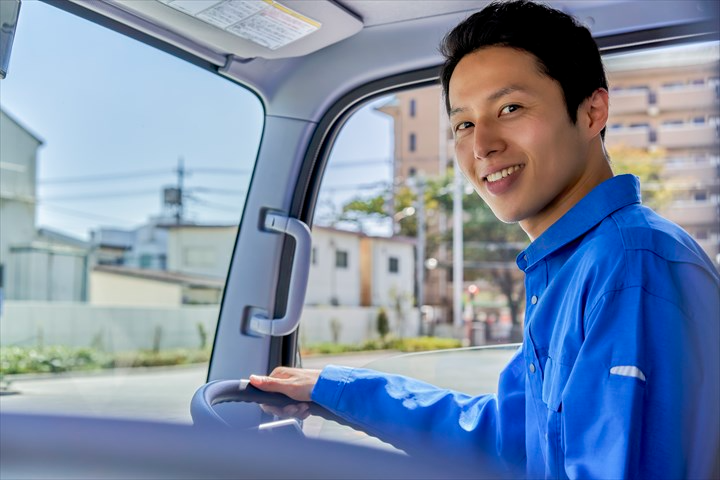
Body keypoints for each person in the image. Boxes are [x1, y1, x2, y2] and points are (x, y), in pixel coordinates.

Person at [250, 1, 720, 477]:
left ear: (592, 111)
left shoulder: (630, 266)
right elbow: (508, 441)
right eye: (464, 124)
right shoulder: (571, 265)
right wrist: (336, 387)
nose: (481, 146)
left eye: (510, 108)